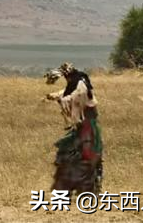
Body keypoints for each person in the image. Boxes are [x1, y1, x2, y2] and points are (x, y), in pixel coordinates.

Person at [43, 62, 103, 195]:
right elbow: (66, 93)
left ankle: (91, 186)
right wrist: (54, 95)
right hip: (81, 126)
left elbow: (77, 95)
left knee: (86, 155)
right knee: (68, 152)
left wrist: (65, 99)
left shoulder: (81, 84)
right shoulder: (76, 83)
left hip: (87, 125)